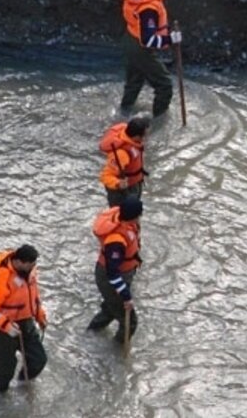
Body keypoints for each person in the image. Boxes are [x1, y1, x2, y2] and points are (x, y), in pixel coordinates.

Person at [0, 244, 48, 393]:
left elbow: (33, 296)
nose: (33, 268)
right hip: (2, 330)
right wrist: (7, 325)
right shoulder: (0, 280)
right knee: (6, 370)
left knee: (38, 359)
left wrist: (40, 315)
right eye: (30, 265)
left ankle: (22, 384)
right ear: (18, 262)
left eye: (34, 265)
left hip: (26, 323)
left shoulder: (29, 272)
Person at [117, 0, 183, 117]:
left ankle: (124, 112)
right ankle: (159, 118)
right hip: (139, 48)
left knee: (134, 81)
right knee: (164, 84)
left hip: (130, 38)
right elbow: (148, 40)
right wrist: (170, 39)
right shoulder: (148, 10)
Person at [87, 198, 144, 344]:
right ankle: (116, 350)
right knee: (130, 322)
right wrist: (126, 296)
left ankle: (91, 333)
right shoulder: (116, 241)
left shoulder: (126, 222)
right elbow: (112, 273)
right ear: (134, 216)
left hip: (123, 272)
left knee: (111, 308)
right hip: (110, 277)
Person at [99, 115, 151, 207]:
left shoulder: (132, 139)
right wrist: (118, 183)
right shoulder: (121, 154)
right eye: (145, 135)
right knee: (121, 214)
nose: (147, 137)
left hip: (134, 184)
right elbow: (105, 176)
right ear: (137, 137)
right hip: (121, 192)